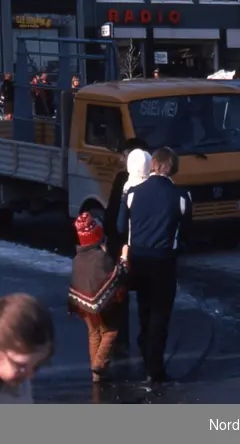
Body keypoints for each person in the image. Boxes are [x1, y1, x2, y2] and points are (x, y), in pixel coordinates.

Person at [117, 146, 192, 388]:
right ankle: (154, 368)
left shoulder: (132, 193)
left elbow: (120, 227)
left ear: (153, 166)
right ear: (173, 168)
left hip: (138, 260)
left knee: (144, 309)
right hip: (164, 262)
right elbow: (186, 233)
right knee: (160, 315)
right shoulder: (182, 197)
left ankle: (144, 352)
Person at [67, 213, 127, 383]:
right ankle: (99, 364)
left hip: (83, 305)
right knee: (110, 331)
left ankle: (97, 375)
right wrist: (123, 259)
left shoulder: (78, 258)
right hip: (102, 306)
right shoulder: (101, 257)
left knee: (94, 333)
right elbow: (116, 275)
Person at [102, 139, 149, 355]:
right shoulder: (154, 182)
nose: (120, 159)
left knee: (120, 296)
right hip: (144, 247)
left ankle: (121, 341)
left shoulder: (123, 180)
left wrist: (108, 241)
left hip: (122, 247)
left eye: (123, 155)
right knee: (145, 296)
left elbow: (114, 217)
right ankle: (145, 338)